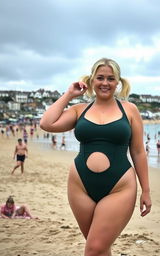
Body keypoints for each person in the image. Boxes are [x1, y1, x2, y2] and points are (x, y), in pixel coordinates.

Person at [40, 58, 152, 256]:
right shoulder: (79, 110)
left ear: (118, 82)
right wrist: (69, 94)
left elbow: (138, 151)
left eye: (111, 78)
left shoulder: (129, 110)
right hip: (80, 185)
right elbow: (47, 124)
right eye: (100, 78)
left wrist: (146, 190)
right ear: (92, 80)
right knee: (100, 249)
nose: (105, 83)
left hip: (119, 186)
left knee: (94, 249)